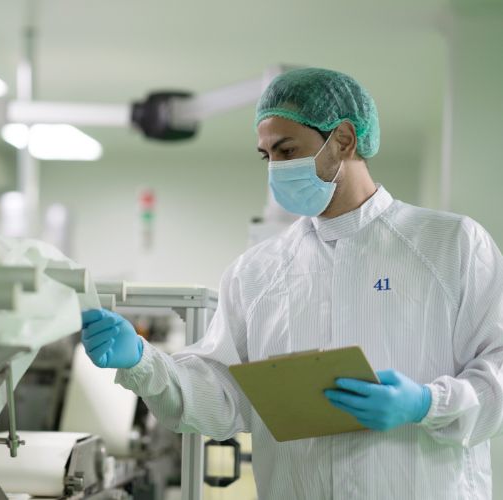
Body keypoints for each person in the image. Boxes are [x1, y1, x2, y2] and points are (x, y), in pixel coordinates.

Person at [81, 67, 503, 499]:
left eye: (286, 150)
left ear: (342, 140)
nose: (276, 169)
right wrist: (143, 363)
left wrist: (426, 404)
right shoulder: (257, 272)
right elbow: (223, 400)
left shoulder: (450, 246)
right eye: (267, 156)